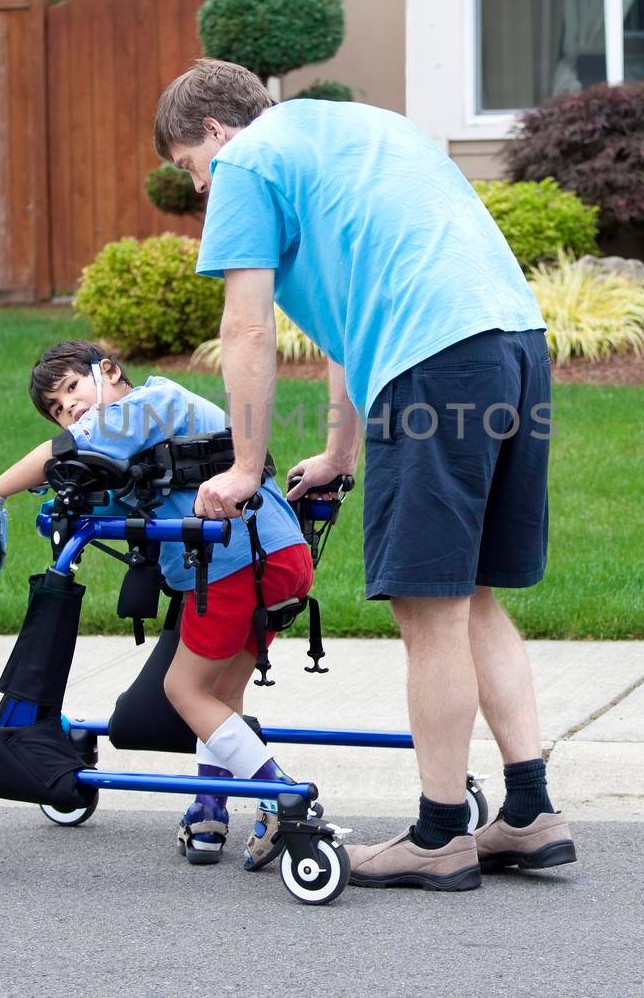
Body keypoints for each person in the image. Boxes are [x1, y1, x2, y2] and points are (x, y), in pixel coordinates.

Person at [154, 59, 577, 892]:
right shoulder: (367, 130)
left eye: (188, 169)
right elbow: (357, 318)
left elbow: (244, 331)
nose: (201, 190)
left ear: (213, 131)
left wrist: (246, 467)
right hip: (516, 346)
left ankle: (440, 834)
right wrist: (344, 452)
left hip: (437, 362)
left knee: (430, 611)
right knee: (477, 594)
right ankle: (528, 811)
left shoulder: (247, 160)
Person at [0, 338, 312, 868]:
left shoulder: (147, 405)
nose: (69, 408)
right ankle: (210, 814)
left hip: (232, 562)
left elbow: (68, 450)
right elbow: (96, 479)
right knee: (219, 696)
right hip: (277, 555)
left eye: (72, 388)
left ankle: (282, 796)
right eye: (56, 408)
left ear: (109, 371)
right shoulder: (138, 438)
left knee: (183, 689)